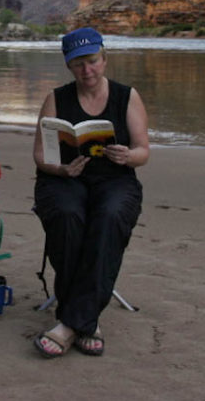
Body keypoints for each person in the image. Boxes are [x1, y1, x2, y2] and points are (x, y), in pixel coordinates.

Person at [31, 27, 150, 358]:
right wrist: (60, 169)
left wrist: (128, 156)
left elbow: (144, 151)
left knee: (110, 215)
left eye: (93, 62)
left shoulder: (127, 96)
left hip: (115, 179)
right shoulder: (56, 98)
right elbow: (40, 154)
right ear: (69, 66)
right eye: (79, 64)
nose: (88, 71)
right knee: (68, 215)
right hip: (64, 179)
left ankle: (70, 324)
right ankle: (86, 323)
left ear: (105, 59)